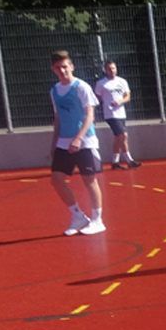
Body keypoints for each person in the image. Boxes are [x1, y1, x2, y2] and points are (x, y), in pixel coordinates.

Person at [48, 50, 106, 235]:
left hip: (85, 140)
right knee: (56, 179)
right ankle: (78, 216)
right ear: (53, 69)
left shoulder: (81, 87)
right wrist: (54, 142)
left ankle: (98, 220)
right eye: (58, 67)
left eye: (65, 66)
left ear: (71, 66)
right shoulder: (54, 91)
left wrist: (79, 138)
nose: (62, 70)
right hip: (64, 142)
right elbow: (58, 118)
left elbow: (90, 114)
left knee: (89, 180)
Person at [94, 60, 141, 169]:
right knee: (123, 135)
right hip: (110, 114)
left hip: (121, 113)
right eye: (109, 69)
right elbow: (97, 97)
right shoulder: (101, 83)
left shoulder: (122, 82)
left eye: (114, 68)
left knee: (118, 137)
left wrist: (120, 101)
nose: (112, 71)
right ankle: (129, 160)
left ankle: (115, 162)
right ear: (105, 70)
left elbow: (127, 96)